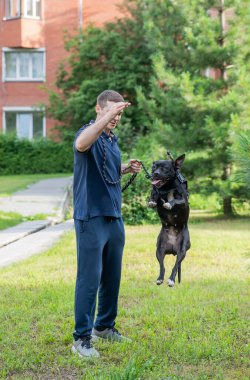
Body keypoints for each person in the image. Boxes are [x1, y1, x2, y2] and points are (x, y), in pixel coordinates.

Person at [71, 89, 142, 358]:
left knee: (112, 277)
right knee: (89, 279)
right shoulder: (89, 131)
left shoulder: (111, 139)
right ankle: (81, 338)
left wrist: (124, 167)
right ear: (99, 109)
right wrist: (106, 117)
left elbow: (104, 168)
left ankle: (104, 327)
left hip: (114, 216)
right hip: (91, 216)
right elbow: (81, 145)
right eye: (112, 112)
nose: (117, 117)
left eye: (119, 113)